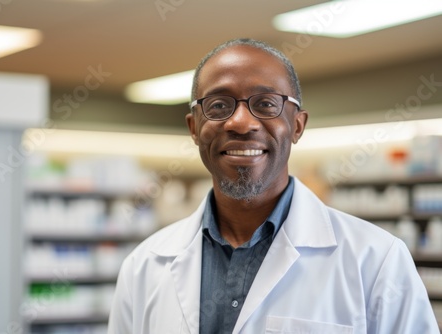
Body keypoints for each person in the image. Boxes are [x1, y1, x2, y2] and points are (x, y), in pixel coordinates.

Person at [108, 38, 439, 334]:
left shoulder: (377, 260)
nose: (241, 122)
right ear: (194, 128)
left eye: (266, 104)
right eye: (219, 106)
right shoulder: (144, 267)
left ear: (297, 125)